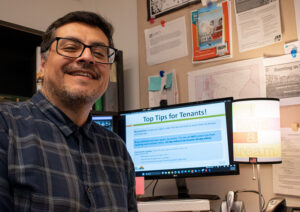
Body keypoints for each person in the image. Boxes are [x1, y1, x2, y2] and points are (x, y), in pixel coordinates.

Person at [0, 11, 137, 211]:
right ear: (43, 64)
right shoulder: (6, 127)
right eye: (71, 48)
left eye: (99, 53)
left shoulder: (117, 149)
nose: (87, 57)